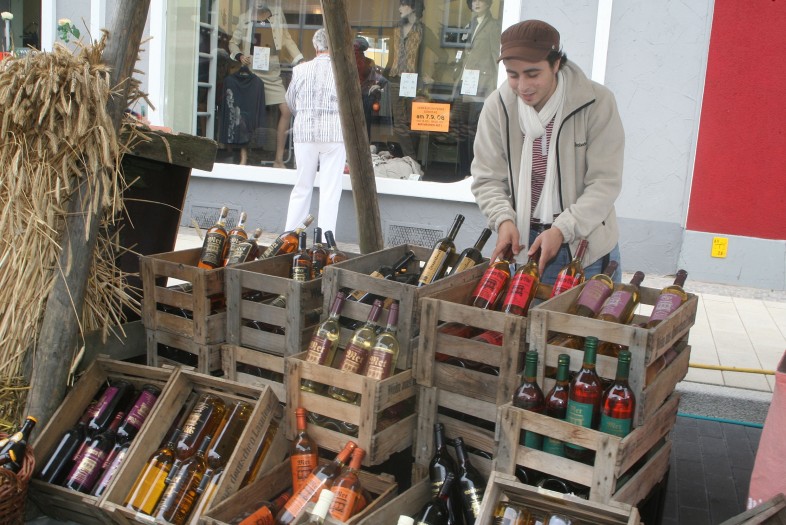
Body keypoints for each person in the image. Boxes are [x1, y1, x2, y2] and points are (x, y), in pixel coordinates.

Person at [470, 19, 624, 284]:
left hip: (585, 249)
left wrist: (562, 229)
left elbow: (604, 183)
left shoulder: (596, 103)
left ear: (556, 64)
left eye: (533, 74)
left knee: (583, 314)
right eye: (513, 75)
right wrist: (503, 220)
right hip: (523, 243)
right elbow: (487, 178)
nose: (523, 86)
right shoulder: (498, 106)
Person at [283, 28, 346, 237]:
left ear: (315, 46)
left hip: (305, 132)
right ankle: (326, 242)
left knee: (302, 187)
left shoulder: (300, 70)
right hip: (334, 132)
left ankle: (290, 237)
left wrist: (304, 114)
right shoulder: (342, 71)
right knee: (330, 190)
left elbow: (291, 101)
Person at [229, 1, 303, 168]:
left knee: (286, 110)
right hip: (251, 71)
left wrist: (299, 59)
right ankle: (244, 157)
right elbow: (233, 42)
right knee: (246, 113)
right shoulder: (245, 18)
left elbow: (286, 39)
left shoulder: (277, 14)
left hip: (272, 71)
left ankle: (278, 159)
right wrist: (240, 56)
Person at [384, 0, 443, 159]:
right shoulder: (396, 29)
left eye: (403, 4)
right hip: (396, 80)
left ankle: (411, 160)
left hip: (413, 81)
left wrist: (432, 76)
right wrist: (381, 79)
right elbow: (391, 58)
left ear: (413, 7)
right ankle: (411, 159)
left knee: (414, 121)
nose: (399, 8)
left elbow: (443, 55)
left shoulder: (423, 31)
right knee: (399, 122)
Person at [450, 0, 501, 178]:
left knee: (475, 128)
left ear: (488, 3)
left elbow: (495, 56)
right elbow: (465, 55)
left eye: (481, 0)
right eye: (473, 1)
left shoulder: (493, 26)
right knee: (461, 127)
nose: (476, 3)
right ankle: (464, 170)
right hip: (466, 83)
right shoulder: (470, 25)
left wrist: (494, 86)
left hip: (482, 85)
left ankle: (474, 172)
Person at [354, 36, 387, 140]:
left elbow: (381, 80)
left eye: (358, 54)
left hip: (365, 99)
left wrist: (378, 85)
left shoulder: (379, 80)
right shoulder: (348, 65)